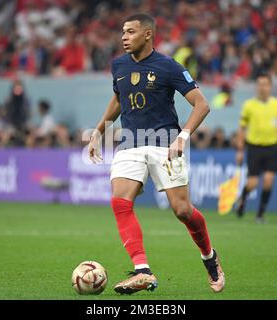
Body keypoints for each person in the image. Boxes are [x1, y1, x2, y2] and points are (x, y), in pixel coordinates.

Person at [87, 13, 225, 295]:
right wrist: (99, 131)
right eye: (122, 32)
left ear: (147, 34)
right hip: (131, 143)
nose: (124, 37)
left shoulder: (168, 66)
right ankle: (142, 271)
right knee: (120, 202)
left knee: (183, 211)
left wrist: (183, 137)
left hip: (164, 142)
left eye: (130, 32)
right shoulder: (119, 65)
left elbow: (201, 105)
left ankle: (210, 257)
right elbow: (119, 98)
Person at [235, 74, 277, 224]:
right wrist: (240, 150)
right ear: (257, 86)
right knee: (253, 183)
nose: (263, 87)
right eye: (260, 84)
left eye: (265, 84)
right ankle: (243, 198)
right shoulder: (249, 105)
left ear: (270, 86)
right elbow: (242, 128)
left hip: (272, 146)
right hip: (254, 147)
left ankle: (260, 214)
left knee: (268, 180)